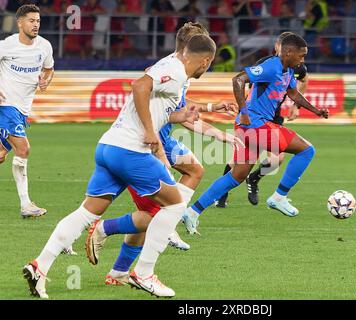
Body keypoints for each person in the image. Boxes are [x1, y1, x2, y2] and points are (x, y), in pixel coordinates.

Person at [23, 34, 217, 299]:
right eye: (210, 64)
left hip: (109, 147)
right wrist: (150, 132)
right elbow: (138, 87)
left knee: (85, 213)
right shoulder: (175, 70)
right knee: (173, 203)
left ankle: (39, 267)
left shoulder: (169, 67)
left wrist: (179, 116)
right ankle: (144, 273)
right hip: (130, 150)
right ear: (206, 60)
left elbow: (151, 101)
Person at [100, 22, 243, 286]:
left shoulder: (177, 69)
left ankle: (122, 263)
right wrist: (218, 133)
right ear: (189, 48)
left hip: (157, 137)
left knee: (190, 175)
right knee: (154, 209)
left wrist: (213, 108)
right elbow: (175, 114)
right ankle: (105, 232)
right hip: (150, 141)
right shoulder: (172, 70)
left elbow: (180, 110)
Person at [182, 34, 328, 236]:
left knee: (237, 175)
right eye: (301, 56)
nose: (303, 60)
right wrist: (243, 111)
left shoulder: (288, 70)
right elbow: (238, 79)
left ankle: (193, 211)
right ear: (288, 52)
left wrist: (315, 110)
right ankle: (279, 196)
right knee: (306, 150)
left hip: (250, 127)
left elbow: (293, 94)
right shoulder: (271, 66)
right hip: (255, 125)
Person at [215, 31, 309, 208]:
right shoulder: (265, 64)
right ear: (278, 48)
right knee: (236, 160)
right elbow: (247, 86)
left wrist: (296, 106)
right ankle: (222, 194)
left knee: (277, 160)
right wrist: (245, 111)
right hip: (256, 117)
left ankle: (254, 178)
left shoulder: (297, 66)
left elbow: (304, 79)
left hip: (275, 116)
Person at [0, 4, 53, 218]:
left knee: (2, 153)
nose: (36, 25)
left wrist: (45, 80)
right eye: (31, 21)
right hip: (6, 105)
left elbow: (49, 69)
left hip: (23, 108)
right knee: (23, 149)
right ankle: (26, 205)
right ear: (19, 23)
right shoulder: (6, 46)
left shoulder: (45, 46)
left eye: (38, 21)